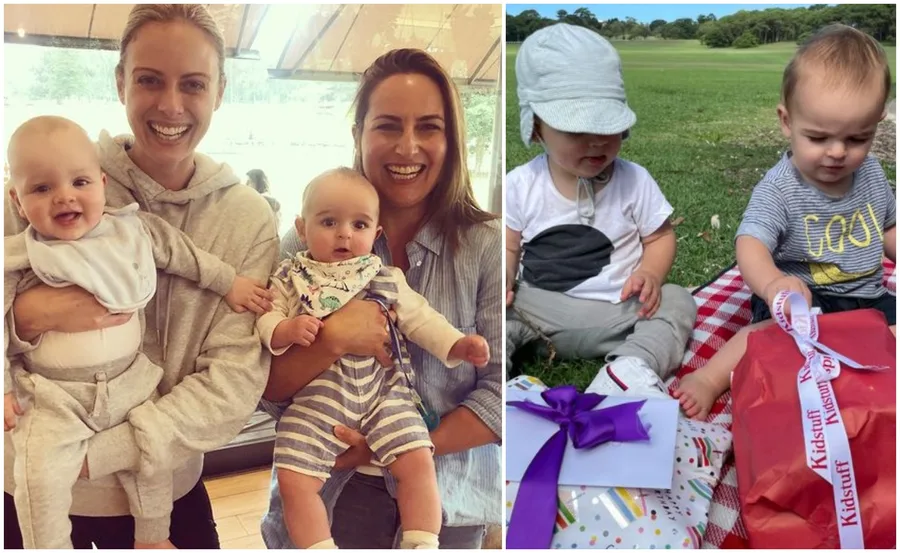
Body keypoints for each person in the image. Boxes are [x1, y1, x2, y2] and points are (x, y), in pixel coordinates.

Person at [3, 4, 279, 548]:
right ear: (121, 82)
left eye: (193, 84)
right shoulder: (45, 179)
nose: (171, 105)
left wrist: (93, 456)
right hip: (30, 491)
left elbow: (233, 382)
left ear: (220, 91)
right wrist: (26, 318)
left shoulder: (246, 218)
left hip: (165, 487)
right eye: (150, 80)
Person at [260, 48, 502, 549]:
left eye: (429, 127)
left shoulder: (487, 247)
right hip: (329, 492)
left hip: (448, 499)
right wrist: (331, 340)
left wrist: (394, 447)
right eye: (388, 125)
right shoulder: (302, 250)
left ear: (452, 140)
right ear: (358, 134)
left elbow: (502, 398)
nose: (407, 147)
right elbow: (263, 386)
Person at [674, 24, 896, 420]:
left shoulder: (872, 174)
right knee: (767, 337)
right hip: (803, 301)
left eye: (857, 139)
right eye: (818, 138)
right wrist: (773, 284)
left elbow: (889, 227)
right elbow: (751, 244)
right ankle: (709, 377)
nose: (837, 152)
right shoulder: (781, 188)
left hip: (867, 297)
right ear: (786, 121)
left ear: (877, 124)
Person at [505, 23, 696, 398]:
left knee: (678, 299)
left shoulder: (635, 180)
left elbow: (659, 237)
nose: (596, 142)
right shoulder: (522, 183)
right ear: (537, 127)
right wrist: (504, 278)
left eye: (607, 127)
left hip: (620, 312)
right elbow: (509, 246)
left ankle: (630, 369)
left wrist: (650, 272)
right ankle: (498, 383)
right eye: (576, 130)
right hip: (535, 311)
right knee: (489, 314)